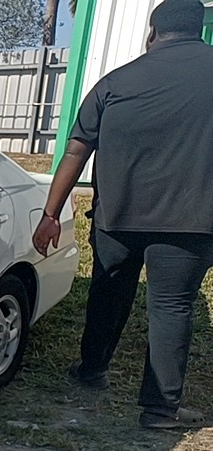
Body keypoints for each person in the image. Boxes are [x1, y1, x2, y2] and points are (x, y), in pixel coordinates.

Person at [33, 0, 213, 429]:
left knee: (109, 290)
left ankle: (91, 369)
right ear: (200, 29)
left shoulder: (117, 81)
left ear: (152, 33)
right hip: (190, 219)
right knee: (172, 307)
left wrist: (51, 213)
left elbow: (76, 148)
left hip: (117, 215)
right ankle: (159, 410)